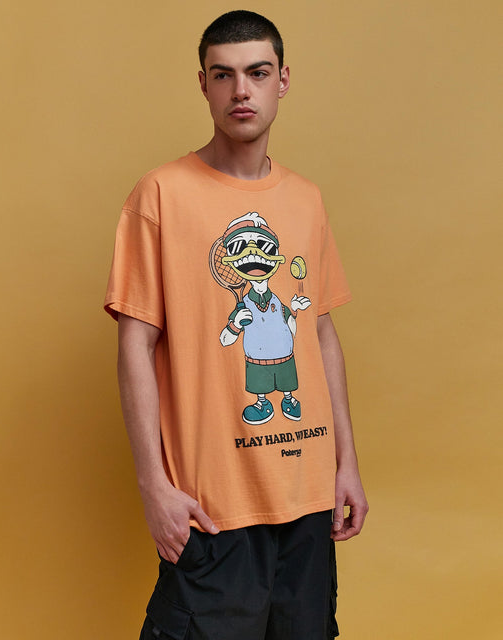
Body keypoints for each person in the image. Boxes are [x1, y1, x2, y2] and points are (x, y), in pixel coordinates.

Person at [104, 10, 368, 640]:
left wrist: (347, 464)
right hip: (213, 506)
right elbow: (135, 344)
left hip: (306, 497)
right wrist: (153, 486)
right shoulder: (160, 194)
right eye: (223, 75)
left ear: (283, 81)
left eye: (257, 72)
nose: (241, 91)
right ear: (204, 85)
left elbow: (320, 333)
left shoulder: (305, 199)